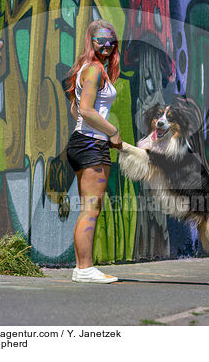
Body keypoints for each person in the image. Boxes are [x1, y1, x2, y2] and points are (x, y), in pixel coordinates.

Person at [65, 20, 122, 283]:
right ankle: (85, 269)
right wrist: (111, 131)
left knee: (90, 207)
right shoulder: (94, 71)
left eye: (111, 40)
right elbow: (86, 110)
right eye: (101, 40)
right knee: (90, 208)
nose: (107, 45)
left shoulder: (87, 70)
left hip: (86, 141)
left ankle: (82, 268)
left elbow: (77, 110)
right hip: (90, 144)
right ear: (91, 41)